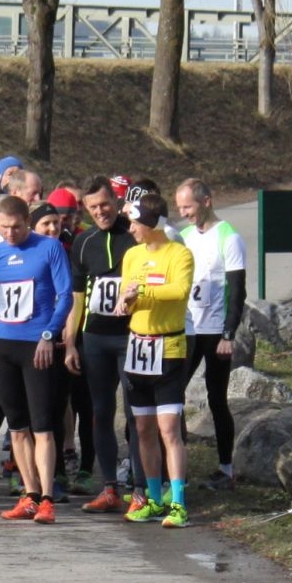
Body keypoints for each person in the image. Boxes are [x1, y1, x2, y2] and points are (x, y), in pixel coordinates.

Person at [0, 196, 75, 525]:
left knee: (42, 425)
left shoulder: (49, 248)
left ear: (27, 221)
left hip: (36, 344)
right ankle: (29, 495)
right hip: (4, 343)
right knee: (16, 425)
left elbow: (66, 296)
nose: (10, 233)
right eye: (3, 228)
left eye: (16, 226)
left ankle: (47, 498)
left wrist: (49, 334)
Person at [116, 192, 196, 529]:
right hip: (138, 348)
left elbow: (179, 291)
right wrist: (125, 302)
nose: (131, 228)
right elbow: (127, 294)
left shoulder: (179, 253)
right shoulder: (132, 255)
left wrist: (142, 292)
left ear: (151, 223)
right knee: (143, 428)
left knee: (169, 429)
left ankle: (177, 503)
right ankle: (152, 499)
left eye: (135, 222)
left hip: (169, 347)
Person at [62, 178, 136, 514]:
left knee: (136, 414)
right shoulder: (83, 242)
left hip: (131, 336)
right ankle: (109, 488)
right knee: (100, 412)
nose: (100, 211)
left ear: (116, 202)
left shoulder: (134, 235)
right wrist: (70, 343)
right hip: (95, 338)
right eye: (93, 207)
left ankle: (141, 487)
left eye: (105, 204)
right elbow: (76, 300)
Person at [175, 179, 248, 492]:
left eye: (188, 207)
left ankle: (225, 468)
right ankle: (176, 466)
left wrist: (229, 333)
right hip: (189, 329)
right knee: (173, 396)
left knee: (217, 398)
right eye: (180, 208)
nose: (184, 213)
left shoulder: (229, 237)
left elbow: (238, 291)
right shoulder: (184, 237)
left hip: (216, 331)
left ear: (206, 201)